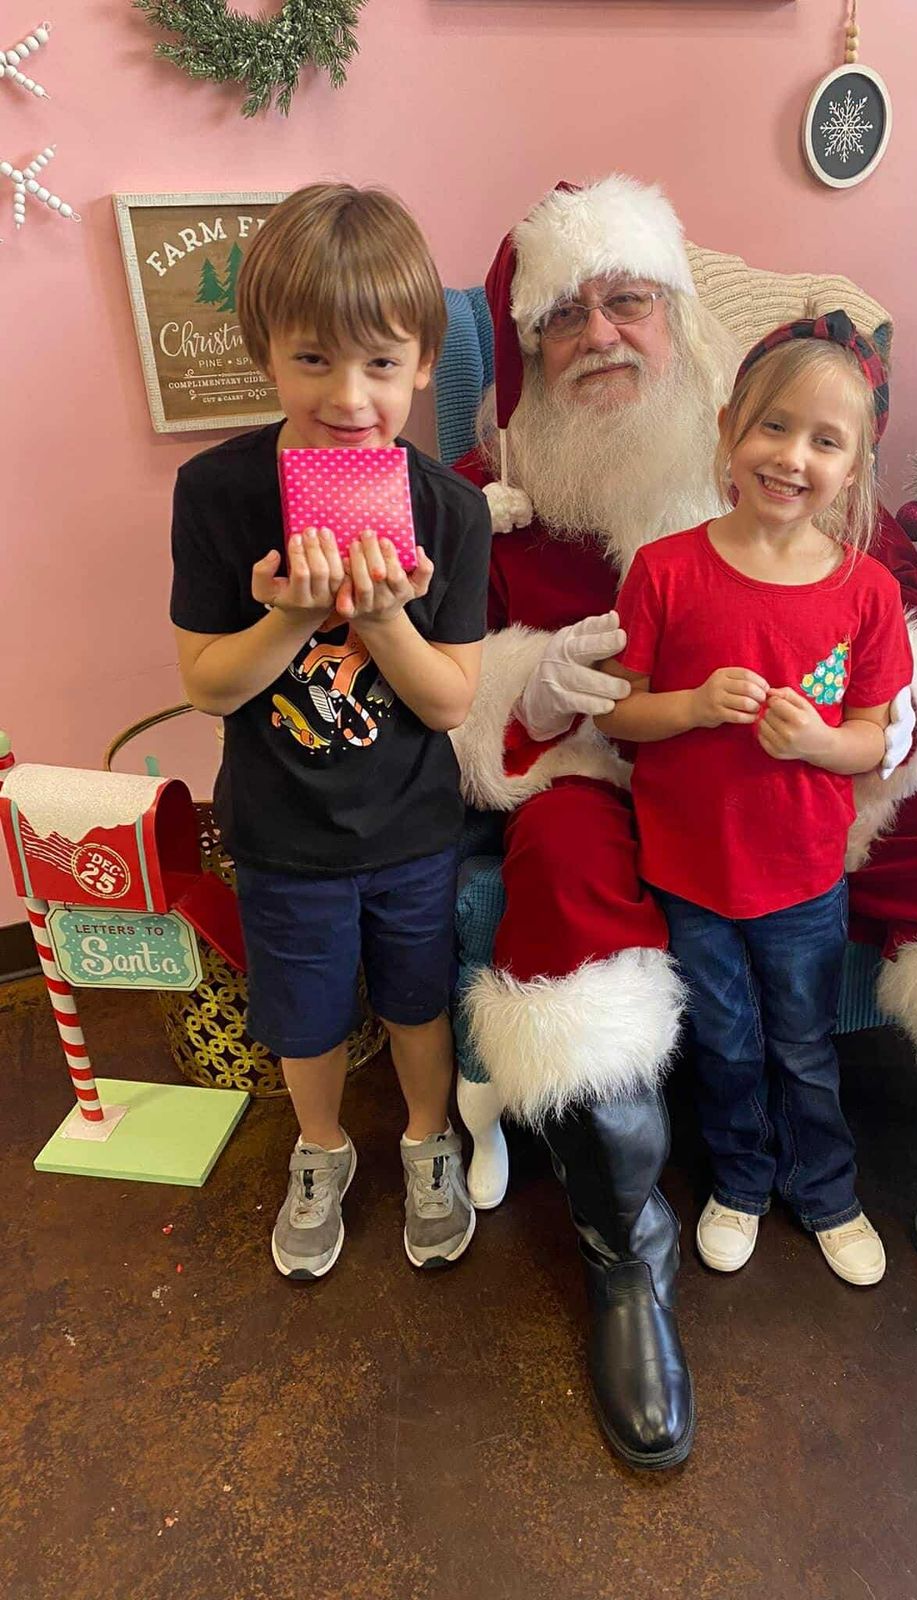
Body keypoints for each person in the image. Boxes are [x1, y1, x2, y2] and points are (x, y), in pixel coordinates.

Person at [451, 176, 917, 1469]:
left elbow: (900, 629)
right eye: (568, 317)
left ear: (681, 329)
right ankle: (629, 1259)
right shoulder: (486, 498)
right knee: (555, 860)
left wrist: (886, 737)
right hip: (626, 798)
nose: (604, 336)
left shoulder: (793, 450)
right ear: (527, 350)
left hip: (812, 799)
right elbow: (446, 686)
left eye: (631, 302)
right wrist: (532, 688)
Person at [170, 183, 491, 1280]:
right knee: (303, 1015)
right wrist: (292, 615)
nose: (350, 397)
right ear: (266, 353)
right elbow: (209, 684)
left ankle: (425, 1138)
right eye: (314, 360)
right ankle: (320, 1148)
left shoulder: (448, 508)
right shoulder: (217, 493)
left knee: (417, 998)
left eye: (382, 365)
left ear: (420, 363)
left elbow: (450, 701)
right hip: (280, 829)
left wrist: (387, 616)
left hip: (409, 823)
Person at [596, 315, 909, 1286]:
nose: (793, 456)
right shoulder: (665, 569)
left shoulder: (866, 591)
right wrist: (687, 706)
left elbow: (874, 739)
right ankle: (739, 1179)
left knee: (806, 1048)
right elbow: (619, 718)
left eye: (825, 440)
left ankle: (829, 1191)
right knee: (726, 1045)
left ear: (854, 469)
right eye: (774, 427)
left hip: (804, 878)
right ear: (730, 429)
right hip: (692, 874)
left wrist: (818, 741)